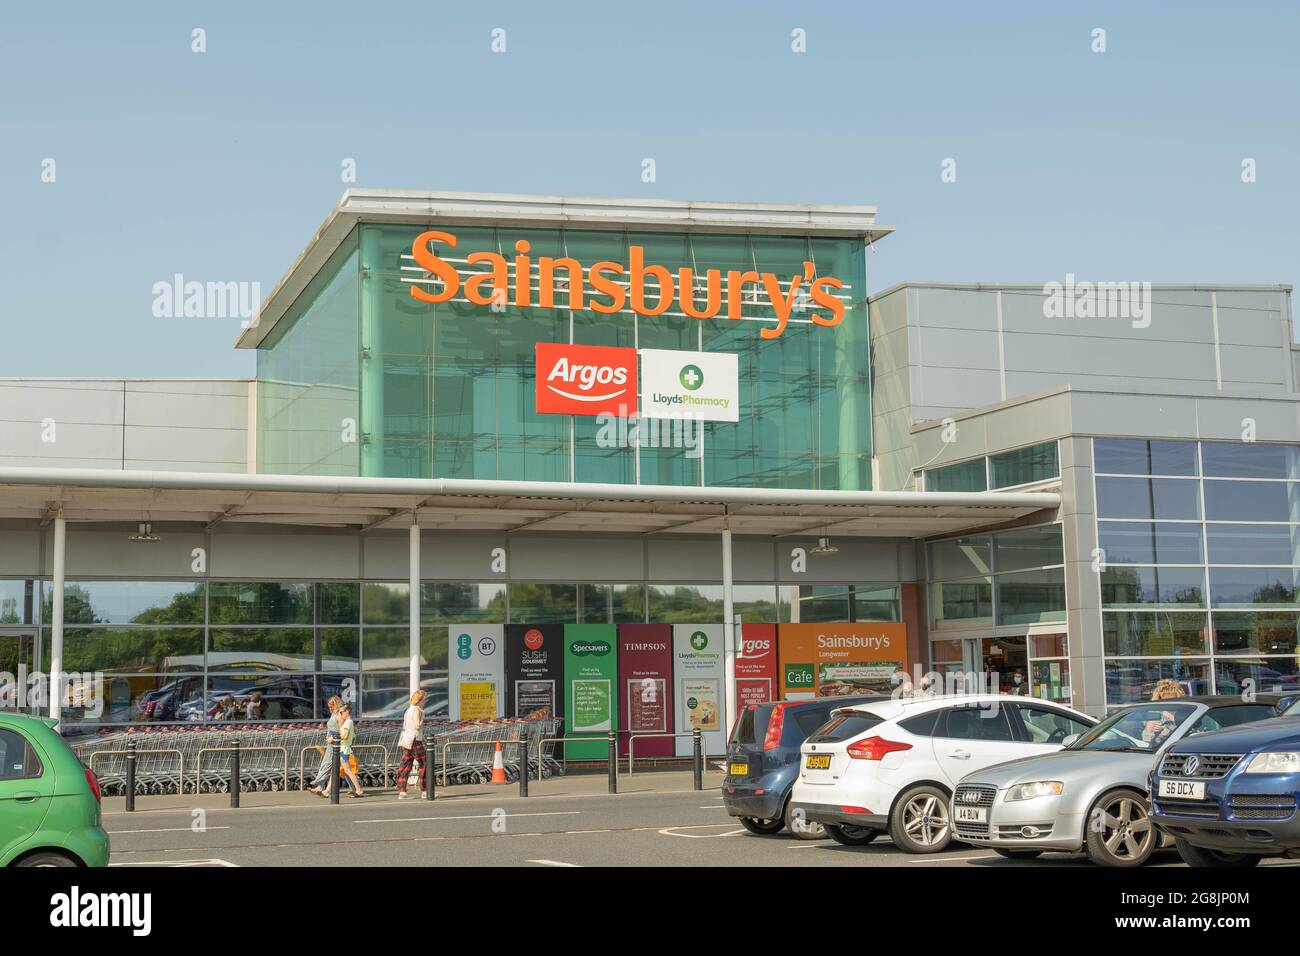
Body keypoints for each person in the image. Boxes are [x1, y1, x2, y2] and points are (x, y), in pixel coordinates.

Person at [395, 690, 428, 799]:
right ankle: (425, 790)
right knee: (424, 763)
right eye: (424, 699)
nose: (425, 701)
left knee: (406, 764)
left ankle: (402, 790)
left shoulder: (408, 710)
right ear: (420, 700)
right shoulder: (417, 710)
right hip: (414, 740)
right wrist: (423, 715)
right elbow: (417, 725)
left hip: (407, 740)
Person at [308, 696, 342, 796]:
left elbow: (342, 729)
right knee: (332, 767)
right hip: (331, 743)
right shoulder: (333, 714)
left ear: (336, 705)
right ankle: (322, 787)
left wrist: (334, 738)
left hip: (335, 743)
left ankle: (319, 782)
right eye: (329, 707)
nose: (330, 709)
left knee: (328, 764)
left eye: (331, 706)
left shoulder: (339, 715)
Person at [332, 703, 365, 798]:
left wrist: (333, 739)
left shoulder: (348, 722)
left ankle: (358, 790)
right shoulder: (346, 722)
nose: (340, 714)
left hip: (344, 749)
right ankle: (356, 789)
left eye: (341, 712)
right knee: (341, 771)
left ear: (347, 712)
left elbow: (345, 736)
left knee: (348, 770)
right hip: (343, 749)